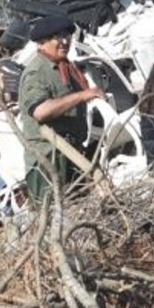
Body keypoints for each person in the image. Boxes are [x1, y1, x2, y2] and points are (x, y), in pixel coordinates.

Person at [17, 14, 104, 202]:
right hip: (49, 161)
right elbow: (40, 111)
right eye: (57, 37)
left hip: (72, 155)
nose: (65, 41)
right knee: (51, 214)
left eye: (67, 35)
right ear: (42, 42)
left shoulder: (66, 68)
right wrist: (81, 96)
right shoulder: (37, 72)